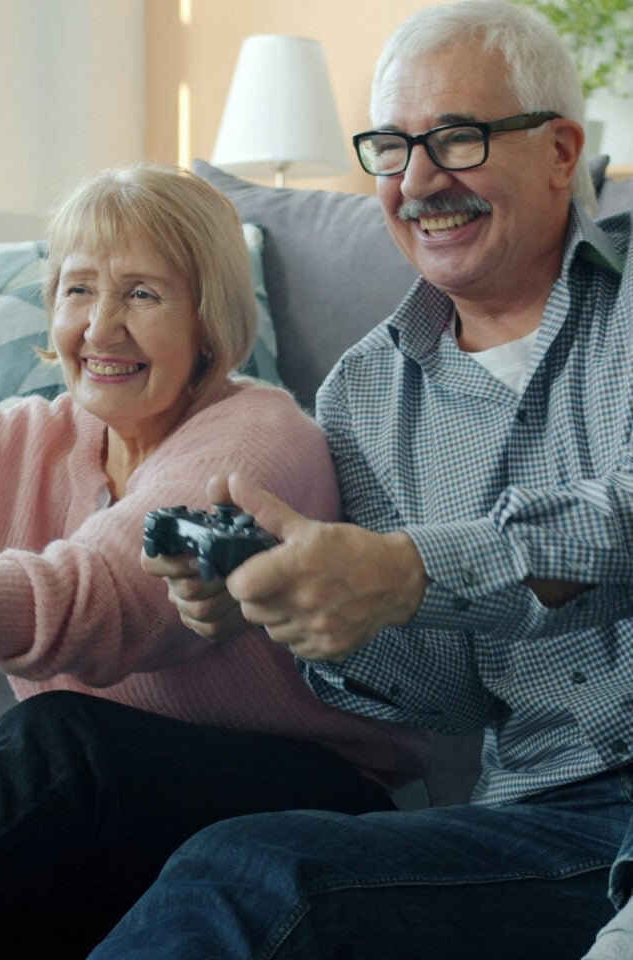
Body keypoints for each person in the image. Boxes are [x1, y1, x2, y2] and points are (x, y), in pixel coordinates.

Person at [84, 2, 633, 959]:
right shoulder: (364, 395)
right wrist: (303, 610)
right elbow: (447, 698)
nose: (419, 181)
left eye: (456, 139)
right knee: (250, 870)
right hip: (548, 824)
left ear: (559, 150)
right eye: (390, 147)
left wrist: (412, 569)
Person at [0, 163, 427, 959]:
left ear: (209, 321)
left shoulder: (262, 438)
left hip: (303, 804)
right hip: (111, 824)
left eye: (142, 294)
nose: (100, 328)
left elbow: (102, 601)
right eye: (78, 290)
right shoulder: (14, 440)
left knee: (60, 741)